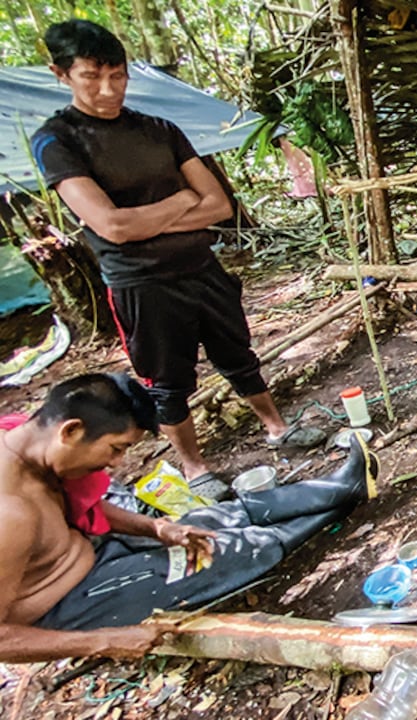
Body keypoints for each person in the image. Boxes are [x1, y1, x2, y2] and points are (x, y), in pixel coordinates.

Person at [30, 20, 324, 501]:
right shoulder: (57, 141)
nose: (107, 90)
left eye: (118, 76)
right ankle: (194, 466)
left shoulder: (159, 129)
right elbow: (112, 227)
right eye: (91, 77)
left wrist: (147, 217)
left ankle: (277, 427)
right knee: (166, 383)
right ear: (62, 75)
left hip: (200, 267)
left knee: (238, 355)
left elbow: (219, 205)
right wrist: (179, 203)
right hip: (140, 284)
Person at [0, 373, 376, 662]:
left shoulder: (32, 447)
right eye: (115, 450)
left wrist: (157, 527)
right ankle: (338, 505)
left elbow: (83, 508)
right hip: (77, 598)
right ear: (71, 431)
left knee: (205, 523)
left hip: (97, 548)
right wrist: (104, 642)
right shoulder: (9, 517)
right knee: (222, 556)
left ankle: (337, 490)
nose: (115, 464)